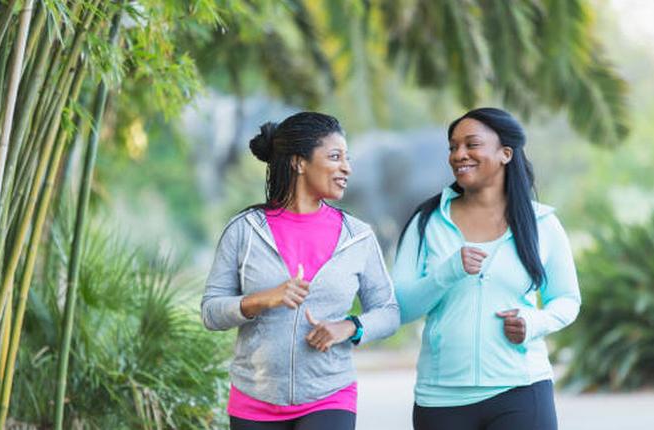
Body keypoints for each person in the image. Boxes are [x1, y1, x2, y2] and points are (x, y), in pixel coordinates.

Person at [202, 112, 399, 430]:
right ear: (298, 162)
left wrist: (349, 327)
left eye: (346, 158)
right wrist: (260, 300)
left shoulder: (357, 235)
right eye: (335, 157)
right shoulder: (245, 230)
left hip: (330, 395)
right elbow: (211, 312)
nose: (347, 167)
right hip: (254, 400)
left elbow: (388, 312)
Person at [393, 107, 581, 430]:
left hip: (521, 391)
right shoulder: (426, 222)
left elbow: (567, 299)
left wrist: (534, 322)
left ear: (505, 153)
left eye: (471, 144)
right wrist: (448, 271)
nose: (458, 155)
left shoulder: (542, 224)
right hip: (441, 399)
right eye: (453, 147)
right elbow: (400, 306)